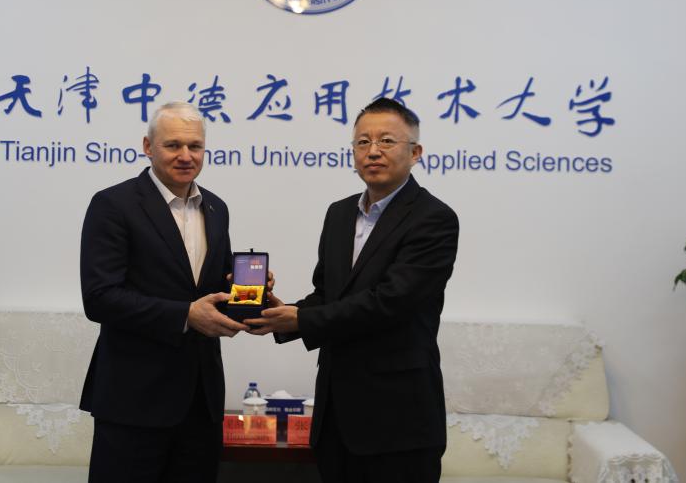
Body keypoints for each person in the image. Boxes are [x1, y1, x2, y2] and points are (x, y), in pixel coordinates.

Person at [248, 97, 459, 483]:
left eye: (386, 141)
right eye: (363, 142)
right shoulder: (339, 213)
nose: (373, 151)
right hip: (336, 418)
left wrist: (303, 319)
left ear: (415, 153)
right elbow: (328, 294)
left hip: (398, 421)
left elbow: (390, 302)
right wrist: (279, 313)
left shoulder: (434, 218)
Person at [79, 101, 248, 483]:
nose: (186, 156)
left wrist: (245, 292)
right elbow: (99, 297)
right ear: (148, 146)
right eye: (173, 145)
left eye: (195, 146)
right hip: (133, 401)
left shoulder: (216, 208)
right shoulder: (113, 205)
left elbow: (213, 287)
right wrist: (185, 315)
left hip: (201, 402)